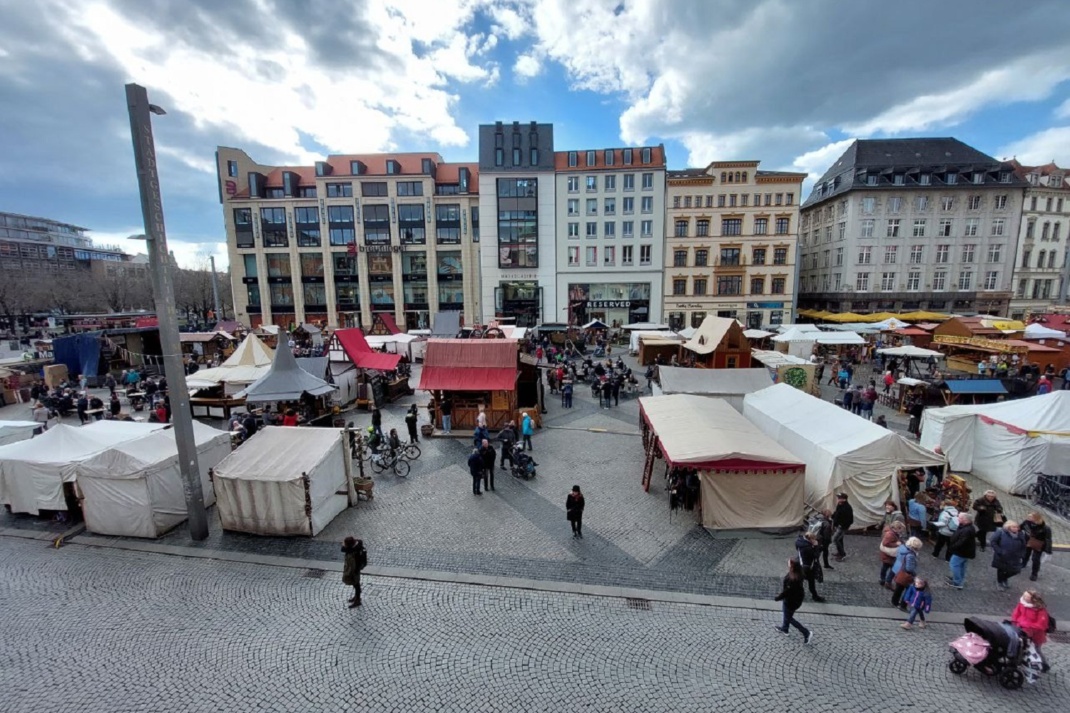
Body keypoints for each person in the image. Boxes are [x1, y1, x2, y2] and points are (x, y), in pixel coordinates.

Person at [773, 559, 814, 644]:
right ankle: (785, 628)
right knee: (787, 614)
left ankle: (806, 633)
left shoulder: (791, 579)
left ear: (792, 567)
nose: (788, 564)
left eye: (789, 564)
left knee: (789, 617)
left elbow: (786, 592)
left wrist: (777, 598)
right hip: (797, 600)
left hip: (790, 601)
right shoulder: (800, 573)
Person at [1011, 590, 1052, 672]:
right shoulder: (1021, 604)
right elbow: (1016, 614)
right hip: (1022, 630)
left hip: (1036, 635)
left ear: (1032, 599)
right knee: (1021, 647)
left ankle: (1044, 665)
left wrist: (1027, 626)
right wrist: (1015, 622)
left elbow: (1041, 625)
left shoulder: (1040, 610)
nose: (1024, 597)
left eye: (1026, 596)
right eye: (1024, 595)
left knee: (1037, 650)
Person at [989, 520, 1028, 591]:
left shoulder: (1020, 534)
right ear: (1008, 527)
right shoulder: (1001, 532)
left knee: (1015, 570)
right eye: (1014, 527)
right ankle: (1000, 582)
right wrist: (1000, 551)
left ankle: (1004, 578)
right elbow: (993, 541)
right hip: (1002, 555)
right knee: (1001, 569)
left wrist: (1022, 554)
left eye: (1017, 527)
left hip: (1015, 556)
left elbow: (1023, 545)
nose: (1016, 528)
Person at [890, 537, 923, 609]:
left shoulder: (903, 549)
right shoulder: (911, 555)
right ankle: (903, 605)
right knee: (908, 591)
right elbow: (909, 568)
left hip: (901, 573)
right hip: (906, 576)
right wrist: (915, 575)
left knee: (898, 589)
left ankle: (894, 602)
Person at [946, 513, 976, 590]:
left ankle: (957, 582)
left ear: (965, 520)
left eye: (959, 518)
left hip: (961, 552)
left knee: (954, 565)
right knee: (962, 566)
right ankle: (960, 579)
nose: (957, 519)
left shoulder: (966, 530)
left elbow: (961, 542)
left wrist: (952, 547)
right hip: (966, 552)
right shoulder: (968, 527)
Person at [1020, 512, 1053, 582]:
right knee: (1026, 553)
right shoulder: (1027, 522)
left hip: (1038, 544)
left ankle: (1034, 574)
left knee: (1035, 559)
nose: (1028, 518)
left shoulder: (1046, 528)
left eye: (1030, 517)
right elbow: (1020, 527)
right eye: (1028, 516)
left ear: (1036, 519)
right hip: (1028, 541)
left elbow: (1048, 539)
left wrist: (1048, 551)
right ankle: (1023, 563)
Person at [794, 532, 826, 602]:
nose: (815, 540)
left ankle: (804, 595)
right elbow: (816, 555)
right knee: (810, 582)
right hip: (806, 567)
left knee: (802, 581)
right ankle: (813, 596)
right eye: (813, 539)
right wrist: (816, 546)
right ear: (810, 539)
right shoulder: (808, 548)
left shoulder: (799, 542)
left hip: (800, 564)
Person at [341, 536, 367, 608]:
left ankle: (357, 600)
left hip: (354, 570)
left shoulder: (353, 553)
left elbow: (352, 565)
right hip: (355, 569)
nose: (343, 544)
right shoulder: (354, 548)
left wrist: (349, 573)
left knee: (356, 584)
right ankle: (356, 597)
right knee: (356, 584)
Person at [879, 520, 907, 588]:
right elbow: (885, 543)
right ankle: (887, 581)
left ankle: (883, 580)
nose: (902, 531)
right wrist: (896, 544)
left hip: (888, 556)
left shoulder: (893, 533)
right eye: (901, 529)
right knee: (892, 568)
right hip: (889, 556)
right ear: (896, 528)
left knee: (886, 567)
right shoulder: (890, 535)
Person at [831, 493, 853, 562]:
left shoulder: (847, 508)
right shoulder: (840, 505)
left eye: (840, 498)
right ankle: (839, 552)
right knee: (839, 540)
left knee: (835, 539)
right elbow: (837, 513)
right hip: (838, 526)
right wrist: (833, 517)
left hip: (842, 527)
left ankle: (842, 554)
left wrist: (842, 525)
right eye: (838, 498)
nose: (838, 499)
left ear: (844, 499)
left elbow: (850, 519)